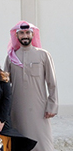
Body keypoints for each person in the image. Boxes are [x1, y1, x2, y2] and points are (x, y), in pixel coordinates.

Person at [4, 21, 58, 151]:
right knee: (20, 142)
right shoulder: (11, 57)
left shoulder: (43, 55)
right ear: (17, 36)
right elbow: (5, 85)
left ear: (32, 35)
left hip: (39, 108)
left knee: (42, 143)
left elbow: (52, 83)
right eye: (21, 33)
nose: (25, 36)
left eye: (27, 32)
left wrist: (52, 105)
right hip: (17, 108)